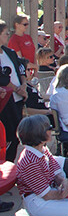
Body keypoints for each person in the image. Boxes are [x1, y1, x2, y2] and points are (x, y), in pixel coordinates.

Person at [0, 19, 28, 160]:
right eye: (5, 33)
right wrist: (17, 89)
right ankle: (6, 163)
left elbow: (20, 67)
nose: (7, 36)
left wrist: (23, 85)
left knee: (17, 135)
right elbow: (3, 76)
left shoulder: (9, 52)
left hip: (18, 99)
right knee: (8, 135)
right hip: (5, 101)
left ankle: (10, 163)